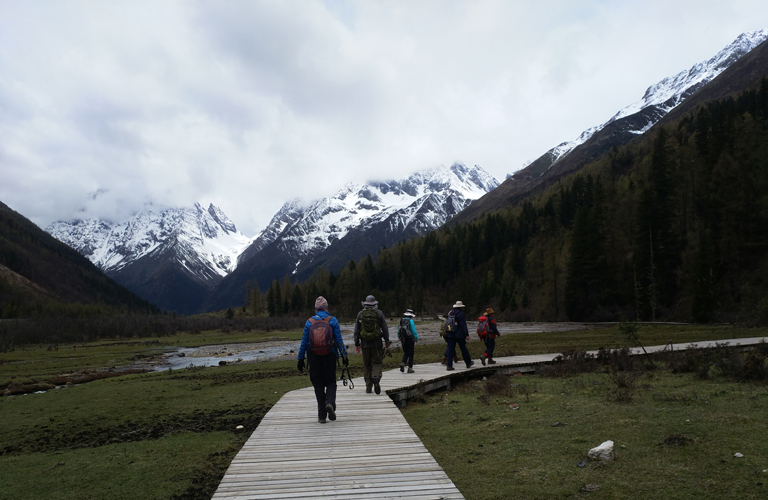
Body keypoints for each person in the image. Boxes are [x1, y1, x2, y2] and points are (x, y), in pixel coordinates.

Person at [298, 296, 348, 424]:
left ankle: (321, 415)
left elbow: (304, 342)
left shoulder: (309, 322)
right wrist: (344, 356)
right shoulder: (332, 320)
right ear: (326, 307)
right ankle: (330, 403)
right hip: (330, 355)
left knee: (318, 384)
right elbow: (339, 340)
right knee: (331, 382)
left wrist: (300, 359)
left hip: (313, 356)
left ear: (315, 309)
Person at [354, 295, 390, 394]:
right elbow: (385, 328)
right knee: (377, 363)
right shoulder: (379, 313)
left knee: (367, 365)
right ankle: (376, 378)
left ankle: (368, 387)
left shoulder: (360, 314)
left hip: (364, 344)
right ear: (375, 304)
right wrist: (387, 341)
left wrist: (356, 343)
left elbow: (356, 330)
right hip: (376, 343)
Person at [445, 300, 473, 371]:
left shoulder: (450, 313)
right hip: (459, 334)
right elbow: (463, 325)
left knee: (451, 349)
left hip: (451, 333)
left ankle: (449, 365)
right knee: (463, 348)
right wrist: (466, 334)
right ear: (461, 307)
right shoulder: (461, 314)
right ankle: (468, 362)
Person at [398, 309, 419, 373]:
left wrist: (399, 337)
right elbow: (413, 330)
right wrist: (416, 337)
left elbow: (398, 330)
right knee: (411, 353)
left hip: (403, 339)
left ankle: (403, 363)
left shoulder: (401, 321)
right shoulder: (411, 321)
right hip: (410, 338)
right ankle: (410, 368)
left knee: (406, 352)